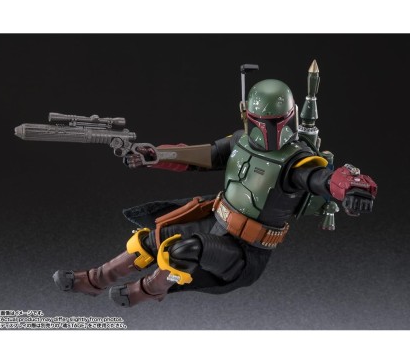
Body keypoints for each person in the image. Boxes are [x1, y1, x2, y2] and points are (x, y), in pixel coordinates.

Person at [53, 71, 377, 308]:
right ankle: (96, 279)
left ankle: (149, 289)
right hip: (215, 220)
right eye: (262, 121)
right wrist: (156, 155)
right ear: (248, 115)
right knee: (152, 238)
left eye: (276, 121)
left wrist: (349, 187)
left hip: (246, 253)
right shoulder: (239, 141)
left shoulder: (297, 162)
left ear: (289, 118)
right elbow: (204, 155)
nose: (269, 129)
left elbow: (322, 179)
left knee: (183, 250)